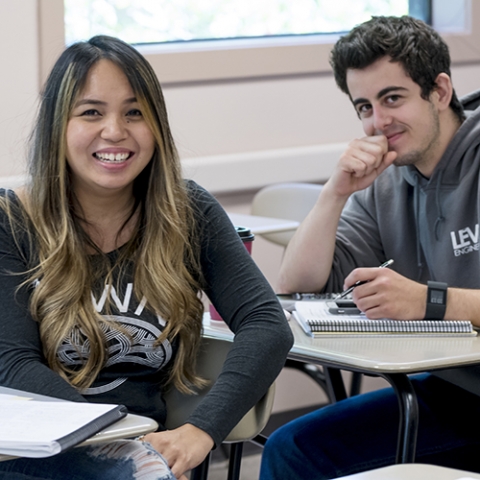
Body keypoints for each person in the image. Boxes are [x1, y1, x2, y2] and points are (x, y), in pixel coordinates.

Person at [0, 35, 293, 480]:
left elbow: (267, 324)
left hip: (143, 454)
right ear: (59, 125)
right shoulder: (11, 219)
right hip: (33, 456)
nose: (115, 131)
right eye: (91, 112)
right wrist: (112, 437)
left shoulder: (187, 210)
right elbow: (13, 362)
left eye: (134, 112)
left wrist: (201, 429)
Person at [260, 15, 480, 480]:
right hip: (454, 391)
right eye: (364, 106)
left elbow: (427, 303)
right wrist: (334, 192)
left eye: (392, 98)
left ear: (440, 91)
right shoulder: (388, 180)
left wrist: (428, 301)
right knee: (291, 450)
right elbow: (295, 284)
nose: (378, 123)